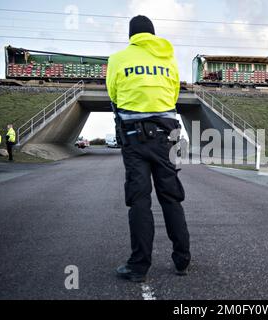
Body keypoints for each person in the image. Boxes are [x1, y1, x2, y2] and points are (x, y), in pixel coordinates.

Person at [106, 15, 191, 282]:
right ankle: (182, 260)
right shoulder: (168, 59)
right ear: (152, 34)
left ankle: (139, 267)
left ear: (132, 35)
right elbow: (174, 94)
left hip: (134, 138)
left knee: (139, 200)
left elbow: (113, 94)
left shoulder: (118, 58)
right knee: (171, 196)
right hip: (167, 136)